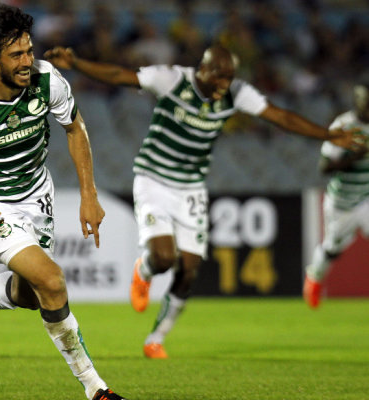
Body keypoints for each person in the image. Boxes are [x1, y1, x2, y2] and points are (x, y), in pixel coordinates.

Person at [44, 43, 366, 359]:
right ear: (204, 70)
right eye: (220, 77)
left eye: (229, 78)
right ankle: (145, 270)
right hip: (154, 180)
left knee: (190, 270)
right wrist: (78, 63)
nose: (224, 85)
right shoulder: (173, 80)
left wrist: (328, 135)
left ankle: (156, 338)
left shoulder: (236, 93)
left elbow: (279, 116)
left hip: (191, 189)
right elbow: (119, 75)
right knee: (164, 258)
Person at [0, 5, 126, 400]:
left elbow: (74, 127)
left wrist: (88, 194)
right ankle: (95, 387)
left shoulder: (48, 80)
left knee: (33, 295)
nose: (28, 61)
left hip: (38, 195)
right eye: (16, 55)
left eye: (29, 50)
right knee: (51, 281)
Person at [303, 80, 369, 309]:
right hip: (342, 202)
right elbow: (324, 167)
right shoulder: (343, 127)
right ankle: (314, 279)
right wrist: (354, 157)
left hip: (367, 198)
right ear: (357, 102)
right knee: (331, 249)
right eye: (366, 103)